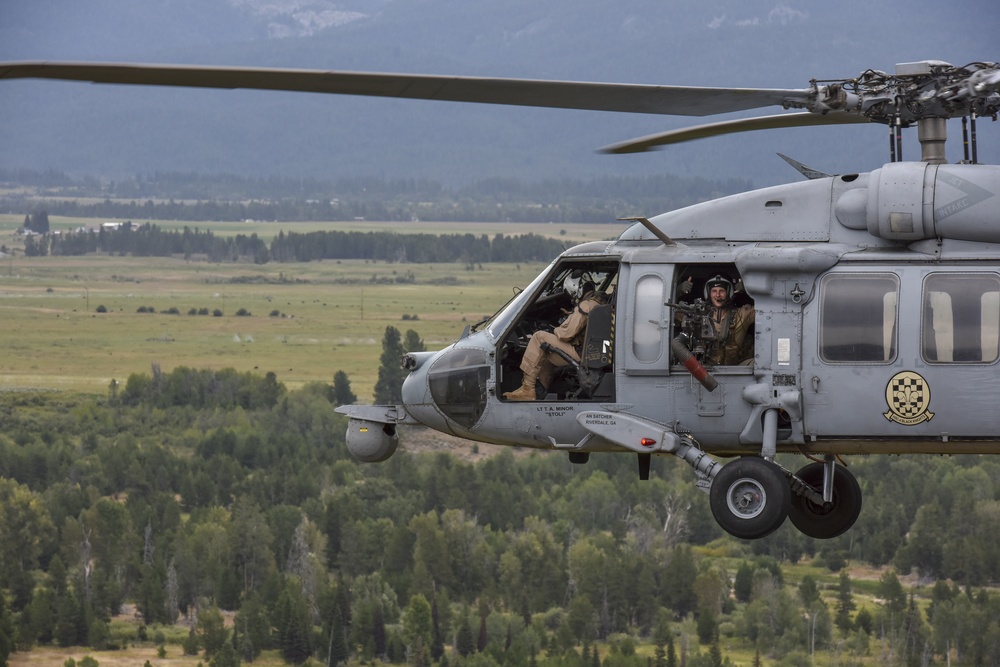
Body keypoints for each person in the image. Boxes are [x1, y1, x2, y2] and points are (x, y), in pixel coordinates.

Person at [503, 272, 606, 401]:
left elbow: (566, 335)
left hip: (581, 354)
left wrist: (557, 329)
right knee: (545, 353)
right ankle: (540, 393)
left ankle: (527, 388)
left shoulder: (586, 305)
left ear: (577, 289)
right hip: (591, 353)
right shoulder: (597, 303)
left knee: (539, 337)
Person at [700, 274, 755, 365]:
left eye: (722, 291)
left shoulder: (742, 314)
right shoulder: (699, 315)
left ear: (729, 292)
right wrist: (677, 291)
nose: (717, 295)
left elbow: (768, 309)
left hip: (736, 368)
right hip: (706, 369)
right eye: (714, 291)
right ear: (708, 294)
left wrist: (749, 289)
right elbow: (671, 313)